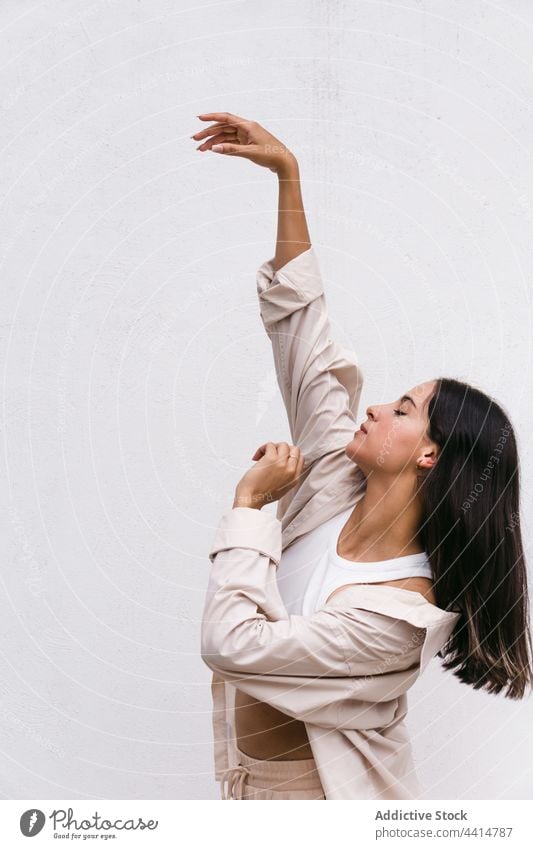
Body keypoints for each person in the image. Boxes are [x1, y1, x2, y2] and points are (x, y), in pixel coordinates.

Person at [194, 112, 533, 800]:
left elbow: (231, 643)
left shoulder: (399, 614)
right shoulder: (332, 486)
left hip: (318, 806)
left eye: (403, 409)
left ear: (432, 454)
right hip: (241, 789)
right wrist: (287, 176)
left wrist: (250, 506)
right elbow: (303, 336)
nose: (376, 407)